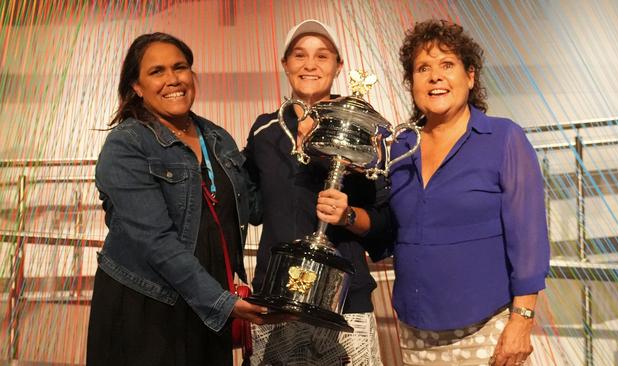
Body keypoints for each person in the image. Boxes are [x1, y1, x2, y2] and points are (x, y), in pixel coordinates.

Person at [362, 19, 550, 366]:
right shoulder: (401, 147)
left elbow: (529, 237)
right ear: (412, 83)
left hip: (486, 329)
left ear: (471, 76)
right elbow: (390, 230)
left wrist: (522, 321)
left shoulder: (504, 139)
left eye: (447, 64)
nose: (435, 76)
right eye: (423, 68)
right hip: (415, 329)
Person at [87, 32, 278, 366]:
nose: (172, 79)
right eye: (157, 71)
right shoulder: (126, 145)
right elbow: (155, 241)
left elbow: (256, 206)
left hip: (209, 306)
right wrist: (221, 303)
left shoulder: (217, 138)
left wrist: (290, 150)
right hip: (148, 310)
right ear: (136, 86)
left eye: (180, 67)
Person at [243, 20, 386, 366]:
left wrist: (348, 215)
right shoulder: (264, 131)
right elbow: (252, 207)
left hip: (345, 301)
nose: (310, 65)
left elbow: (384, 223)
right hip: (277, 299)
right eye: (299, 55)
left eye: (322, 56)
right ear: (285, 64)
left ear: (338, 66)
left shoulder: (363, 134)